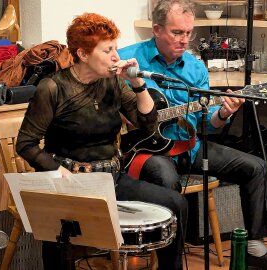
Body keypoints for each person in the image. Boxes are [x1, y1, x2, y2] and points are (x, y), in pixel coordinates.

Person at [118, 1, 267, 269]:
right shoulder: (129, 59)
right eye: (177, 33)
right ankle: (169, 262)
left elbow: (206, 123)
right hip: (145, 150)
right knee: (165, 177)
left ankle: (254, 249)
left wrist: (224, 113)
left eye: (189, 33)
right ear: (157, 29)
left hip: (188, 147)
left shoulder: (195, 68)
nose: (184, 40)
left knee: (256, 167)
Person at [16, 13, 187, 270]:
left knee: (177, 204)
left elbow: (147, 124)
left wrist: (138, 84)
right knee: (58, 235)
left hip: (111, 179)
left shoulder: (114, 83)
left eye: (115, 48)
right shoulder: (52, 88)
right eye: (108, 50)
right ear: (84, 54)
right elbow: (25, 144)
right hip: (70, 182)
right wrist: (55, 170)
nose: (116, 56)